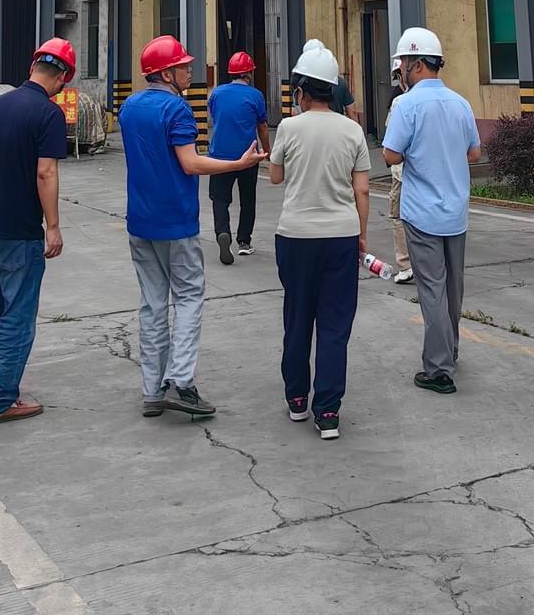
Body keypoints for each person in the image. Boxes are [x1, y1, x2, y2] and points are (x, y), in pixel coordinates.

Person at [119, 35, 266, 419]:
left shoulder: (130, 107)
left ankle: (152, 391)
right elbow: (190, 163)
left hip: (140, 220)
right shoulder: (177, 109)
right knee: (187, 298)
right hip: (176, 221)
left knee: (153, 304)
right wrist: (238, 164)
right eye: (183, 66)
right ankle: (181, 382)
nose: (190, 70)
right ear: (166, 73)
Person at [268, 39, 370, 440]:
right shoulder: (353, 131)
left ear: (301, 90)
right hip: (341, 235)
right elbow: (362, 190)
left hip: (295, 236)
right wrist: (361, 236)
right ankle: (328, 412)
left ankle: (297, 398)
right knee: (334, 324)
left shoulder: (289, 127)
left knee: (297, 318)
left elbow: (275, 177)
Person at [0, 37, 74, 425]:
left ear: (33, 67)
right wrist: (53, 227)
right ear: (62, 78)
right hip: (18, 230)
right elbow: (45, 172)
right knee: (17, 313)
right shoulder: (48, 114)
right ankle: (2, 400)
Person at [381, 27, 481, 395]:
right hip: (455, 212)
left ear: (417, 64)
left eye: (403, 65)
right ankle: (449, 348)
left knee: (432, 290)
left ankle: (438, 369)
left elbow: (390, 154)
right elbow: (474, 153)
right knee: (453, 287)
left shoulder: (407, 105)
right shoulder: (460, 103)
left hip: (422, 213)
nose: (401, 72)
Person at [207, 50, 271, 262]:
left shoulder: (216, 93)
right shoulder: (255, 95)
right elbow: (262, 127)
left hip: (219, 157)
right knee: (247, 199)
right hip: (248, 155)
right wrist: (266, 151)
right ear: (249, 74)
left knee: (219, 199)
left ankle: (222, 232)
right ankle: (244, 241)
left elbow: (215, 117)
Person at [384, 61, 413, 285]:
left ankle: (405, 265)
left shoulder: (400, 102)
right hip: (434, 175)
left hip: (403, 174)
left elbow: (390, 149)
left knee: (398, 216)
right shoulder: (452, 100)